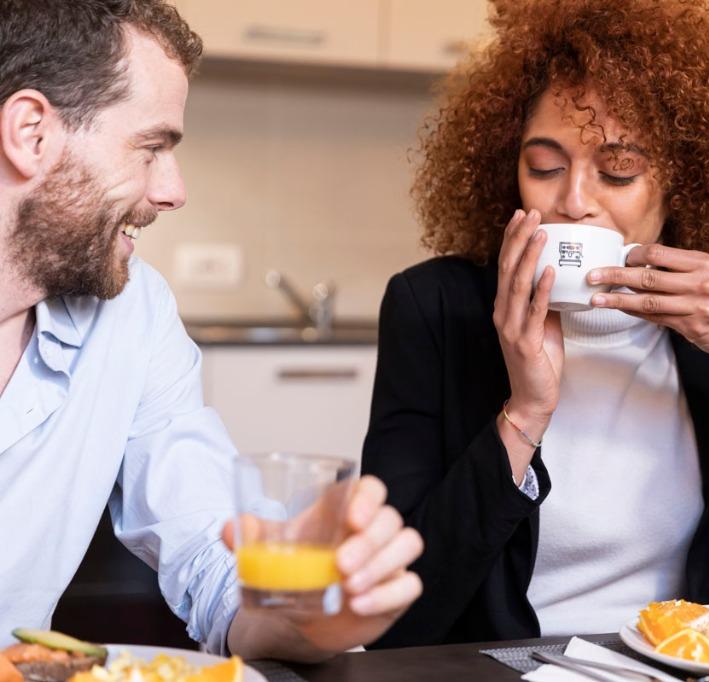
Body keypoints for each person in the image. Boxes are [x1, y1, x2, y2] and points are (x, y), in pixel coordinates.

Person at [362, 0, 709, 648]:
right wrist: (523, 414)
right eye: (544, 166)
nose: (573, 201)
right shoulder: (435, 309)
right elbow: (393, 617)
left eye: (619, 169)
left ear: (684, 180)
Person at [0, 0, 422, 659]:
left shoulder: (134, 313)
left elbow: (210, 555)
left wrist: (308, 611)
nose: (173, 191)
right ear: (30, 134)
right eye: (152, 148)